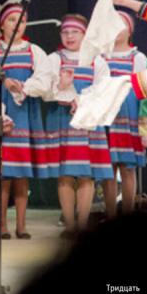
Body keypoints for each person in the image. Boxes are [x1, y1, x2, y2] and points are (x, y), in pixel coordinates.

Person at [0, 2, 57, 239]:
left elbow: (44, 82)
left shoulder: (35, 52)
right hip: (5, 117)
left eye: (22, 21)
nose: (17, 25)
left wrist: (23, 88)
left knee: (22, 174)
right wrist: (0, 113)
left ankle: (22, 225)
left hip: (26, 116)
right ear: (1, 24)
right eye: (12, 20)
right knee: (5, 174)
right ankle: (2, 224)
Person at [45, 14, 114, 237]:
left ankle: (82, 226)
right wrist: (62, 89)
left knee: (86, 175)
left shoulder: (97, 61)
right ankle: (69, 225)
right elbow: (44, 89)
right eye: (65, 32)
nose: (69, 36)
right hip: (62, 120)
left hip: (88, 122)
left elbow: (103, 90)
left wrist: (81, 101)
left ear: (84, 35)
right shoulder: (54, 59)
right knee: (65, 174)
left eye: (75, 32)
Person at [98, 11, 147, 216]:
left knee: (128, 168)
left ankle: (128, 213)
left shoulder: (138, 58)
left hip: (129, 117)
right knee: (108, 169)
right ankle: (110, 215)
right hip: (107, 118)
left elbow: (144, 93)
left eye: (121, 24)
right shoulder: (100, 57)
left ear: (130, 30)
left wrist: (145, 125)